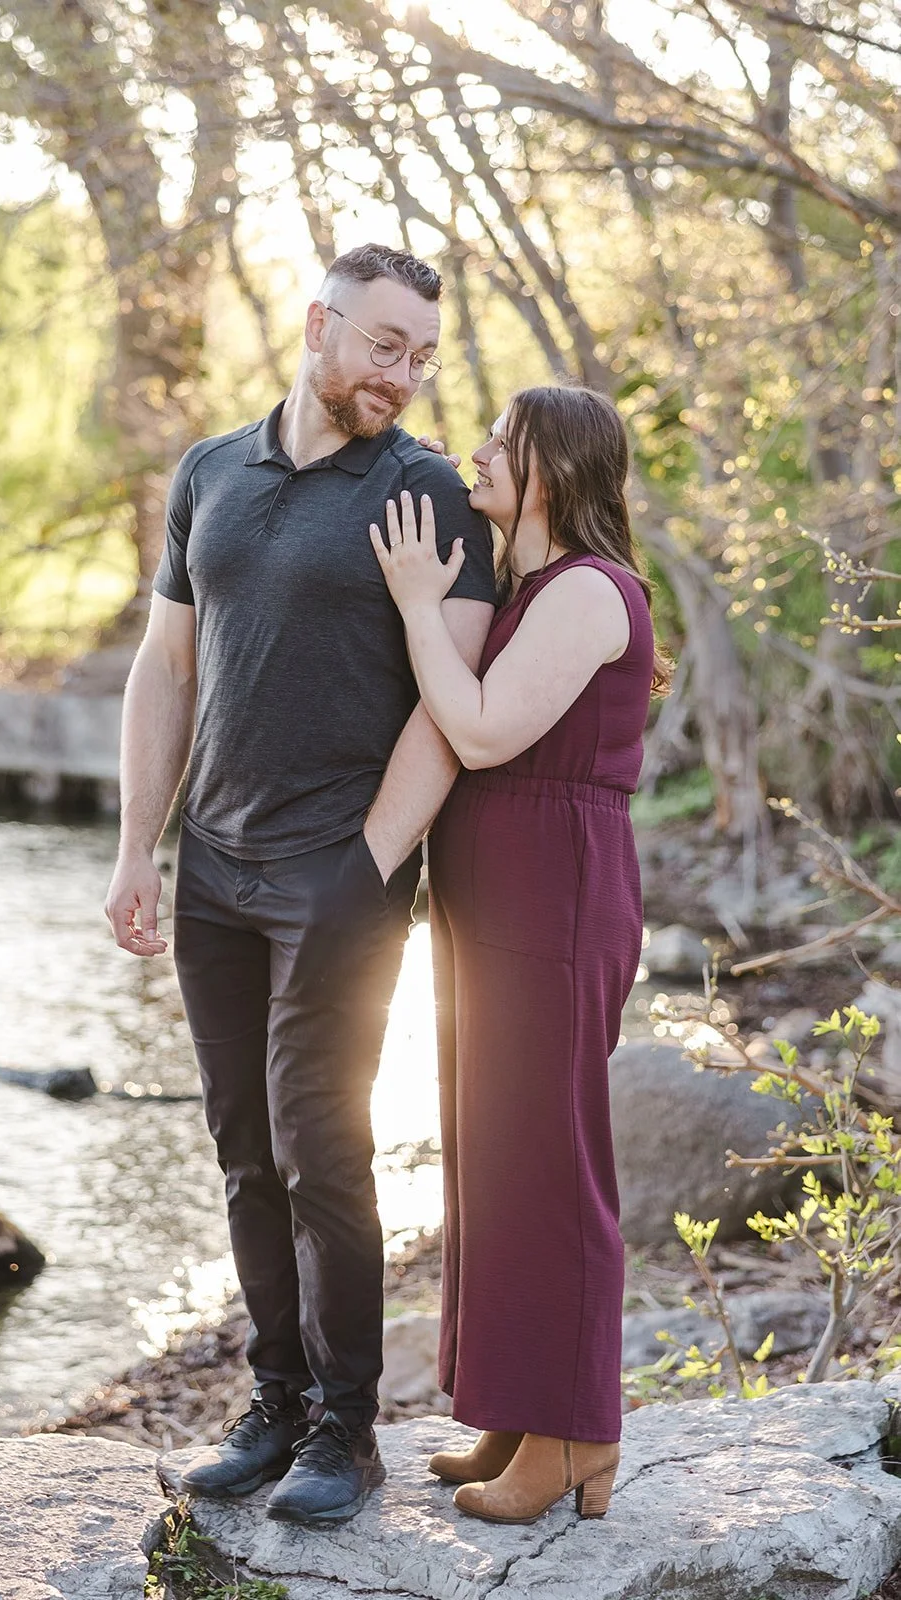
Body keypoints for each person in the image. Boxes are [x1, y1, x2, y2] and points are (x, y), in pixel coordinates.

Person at [104, 244, 496, 1526]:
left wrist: (369, 861)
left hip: (340, 869)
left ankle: (347, 1429)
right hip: (213, 864)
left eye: (422, 355)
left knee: (323, 1150)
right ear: (319, 326)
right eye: (385, 346)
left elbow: (454, 701)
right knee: (239, 1151)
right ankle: (271, 1403)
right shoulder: (211, 471)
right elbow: (166, 668)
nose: (404, 375)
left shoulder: (426, 490)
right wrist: (135, 850)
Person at [369, 384, 670, 1526]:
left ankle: (577, 1431)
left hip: (559, 896)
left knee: (549, 1158)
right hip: (496, 897)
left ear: (556, 467)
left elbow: (484, 726)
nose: (479, 449)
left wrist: (414, 603)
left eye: (504, 437)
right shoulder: (530, 586)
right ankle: (511, 1406)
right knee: (489, 1152)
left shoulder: (590, 591)